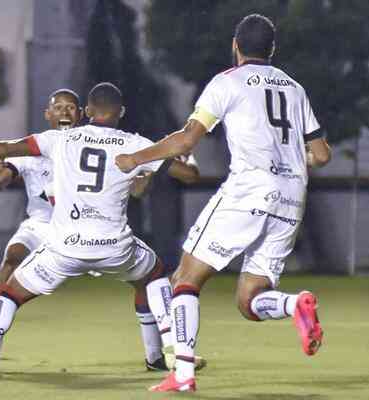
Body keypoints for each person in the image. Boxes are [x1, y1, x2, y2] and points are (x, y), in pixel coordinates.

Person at [115, 14, 332, 392]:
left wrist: (137, 159)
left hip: (249, 190)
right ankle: (294, 304)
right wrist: (292, 161)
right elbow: (322, 154)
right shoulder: (295, 88)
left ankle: (182, 374)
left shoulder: (226, 82)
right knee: (250, 300)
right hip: (292, 196)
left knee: (184, 279)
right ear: (273, 50)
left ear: (235, 46)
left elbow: (186, 141)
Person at [0, 82, 201, 377]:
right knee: (155, 274)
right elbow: (187, 175)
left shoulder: (61, 141)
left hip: (65, 246)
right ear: (121, 112)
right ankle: (171, 350)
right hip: (115, 247)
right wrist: (180, 156)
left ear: (85, 111)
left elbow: (6, 147)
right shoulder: (134, 143)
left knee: (9, 293)